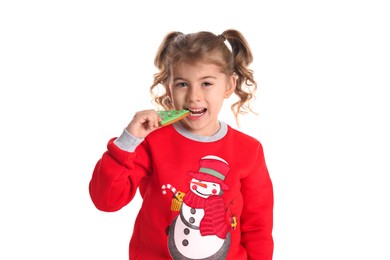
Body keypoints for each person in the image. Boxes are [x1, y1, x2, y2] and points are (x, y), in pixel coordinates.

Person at [89, 29, 274, 260]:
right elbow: (106, 200)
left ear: (229, 86)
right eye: (182, 84)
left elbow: (257, 227)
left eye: (206, 83)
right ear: (169, 87)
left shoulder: (249, 150)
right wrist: (128, 141)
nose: (193, 96)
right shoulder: (151, 141)